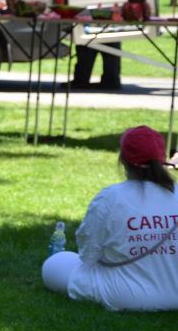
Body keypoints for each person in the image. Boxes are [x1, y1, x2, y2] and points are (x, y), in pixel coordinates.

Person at [42, 125, 178, 311]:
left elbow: (88, 255)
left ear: (123, 160)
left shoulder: (111, 197)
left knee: (54, 264)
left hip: (125, 294)